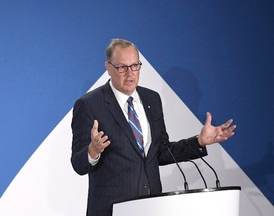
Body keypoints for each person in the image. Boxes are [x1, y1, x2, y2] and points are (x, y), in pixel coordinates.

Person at [71, 38, 236, 216]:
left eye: (135, 66)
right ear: (109, 68)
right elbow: (78, 164)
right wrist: (93, 150)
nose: (130, 73)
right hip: (111, 209)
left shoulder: (152, 99)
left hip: (152, 207)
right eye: (122, 67)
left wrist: (199, 141)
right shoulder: (89, 104)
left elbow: (162, 152)